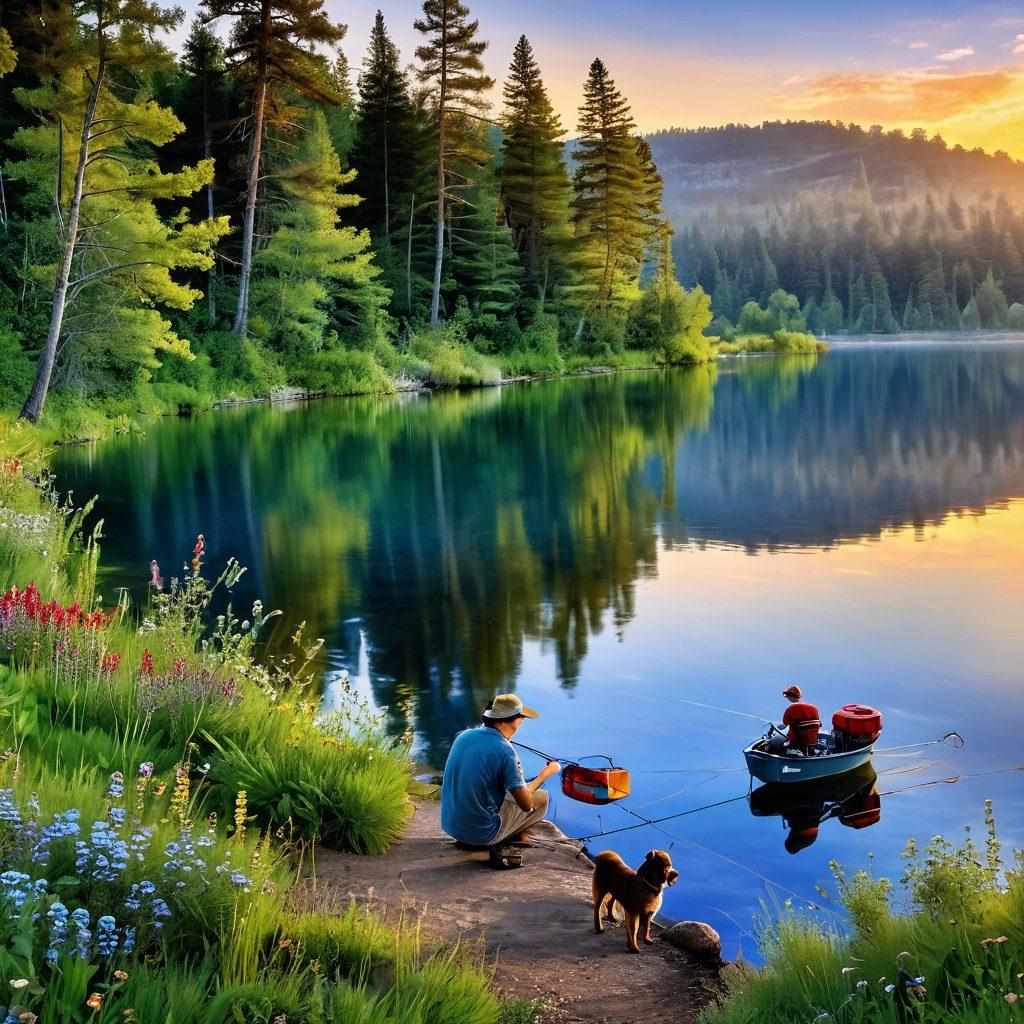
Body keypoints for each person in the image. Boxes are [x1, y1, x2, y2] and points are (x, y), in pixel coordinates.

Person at [441, 693, 561, 868]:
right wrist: (545, 774)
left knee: (501, 790)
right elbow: (526, 805)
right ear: (508, 720)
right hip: (483, 834)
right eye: (521, 717)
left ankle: (469, 837)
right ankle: (494, 842)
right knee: (542, 799)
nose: (522, 720)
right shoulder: (505, 752)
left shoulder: (463, 735)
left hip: (452, 827)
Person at [780, 684, 821, 752]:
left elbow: (785, 723)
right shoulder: (814, 708)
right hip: (812, 742)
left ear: (790, 696)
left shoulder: (791, 708)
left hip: (795, 743)